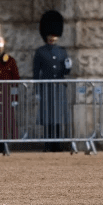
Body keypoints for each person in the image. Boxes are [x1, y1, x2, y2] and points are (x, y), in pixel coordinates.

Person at [34, 10, 72, 151]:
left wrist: (68, 67)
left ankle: (57, 144)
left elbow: (65, 71)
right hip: (47, 88)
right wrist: (37, 90)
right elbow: (36, 73)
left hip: (59, 88)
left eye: (54, 35)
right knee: (48, 116)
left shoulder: (62, 51)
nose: (52, 37)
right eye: (50, 34)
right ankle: (48, 143)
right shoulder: (41, 52)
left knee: (58, 116)